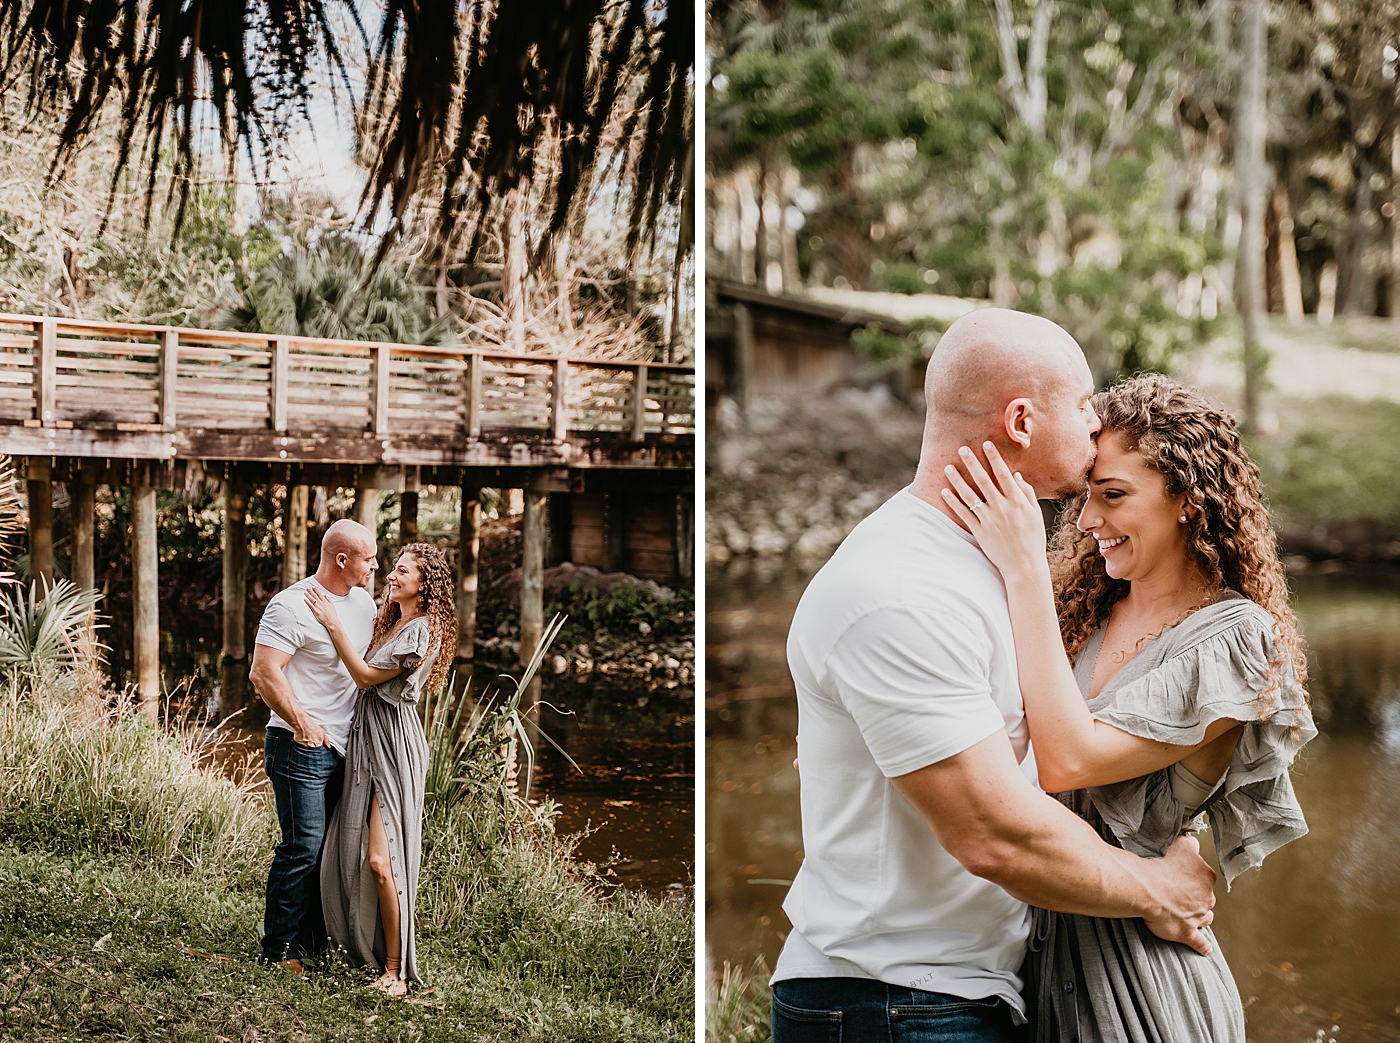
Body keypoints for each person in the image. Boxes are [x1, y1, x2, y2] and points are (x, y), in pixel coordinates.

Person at [772, 309, 1219, 1043]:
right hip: (892, 1001)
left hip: (953, 991)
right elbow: (992, 832)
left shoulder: (978, 560)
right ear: (1020, 419)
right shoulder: (897, 588)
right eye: (1081, 405)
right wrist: (1155, 890)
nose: (1095, 424)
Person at [940, 374, 1314, 1042]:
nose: (1086, 521)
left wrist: (1022, 564)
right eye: (1087, 494)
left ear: (1188, 501)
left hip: (1143, 988)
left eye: (1113, 495)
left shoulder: (1236, 637)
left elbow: (1067, 760)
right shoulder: (1081, 606)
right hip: (1027, 966)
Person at [306, 541, 457, 995]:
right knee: (352, 847)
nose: (392, 575)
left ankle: (396, 971)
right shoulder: (393, 619)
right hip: (367, 737)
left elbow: (367, 678)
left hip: (394, 744)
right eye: (392, 568)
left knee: (380, 858)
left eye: (403, 571)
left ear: (424, 584)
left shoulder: (421, 631)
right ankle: (355, 945)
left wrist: (332, 625)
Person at [250, 519, 380, 972]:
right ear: (342, 560)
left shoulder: (364, 603)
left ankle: (315, 944)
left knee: (331, 850)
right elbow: (264, 672)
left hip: (348, 749)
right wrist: (302, 721)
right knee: (302, 846)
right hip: (300, 746)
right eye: (369, 558)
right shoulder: (290, 606)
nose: (375, 566)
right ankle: (280, 952)